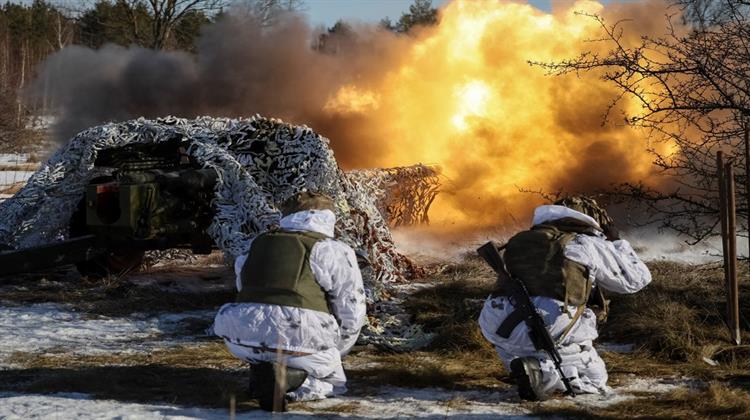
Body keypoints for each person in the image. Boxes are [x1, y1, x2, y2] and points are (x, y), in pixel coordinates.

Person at [478, 196, 651, 400]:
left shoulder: (519, 239)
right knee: (594, 381)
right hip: (549, 324)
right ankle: (542, 374)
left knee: (524, 346)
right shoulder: (585, 242)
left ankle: (527, 369)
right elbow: (636, 280)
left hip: (495, 323)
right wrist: (617, 242)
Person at [212, 192, 367, 412]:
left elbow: (244, 287)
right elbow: (352, 306)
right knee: (333, 379)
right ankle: (290, 382)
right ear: (329, 217)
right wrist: (337, 350)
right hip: (300, 339)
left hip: (240, 339)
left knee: (273, 349)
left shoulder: (258, 243)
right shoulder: (332, 249)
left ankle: (263, 373)